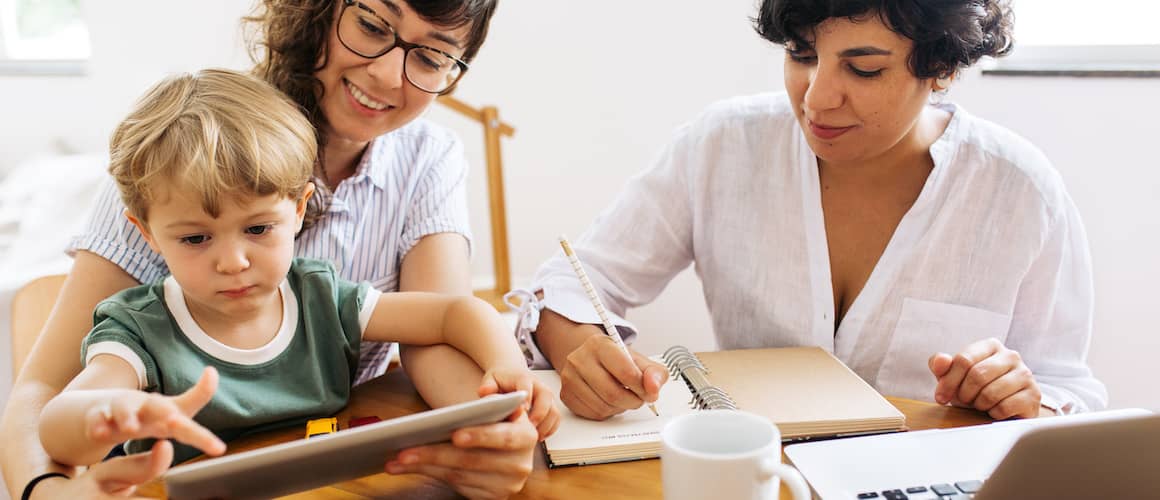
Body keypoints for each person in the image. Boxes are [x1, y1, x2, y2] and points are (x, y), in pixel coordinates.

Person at [0, 1, 542, 499]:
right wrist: (46, 491)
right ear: (317, 11)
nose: (386, 74)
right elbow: (46, 393)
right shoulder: (181, 154)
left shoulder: (426, 159)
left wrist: (487, 428)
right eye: (373, 27)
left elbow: (434, 330)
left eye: (430, 57)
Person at [522, 0, 1107, 423]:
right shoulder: (723, 146)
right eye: (802, 55)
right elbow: (570, 283)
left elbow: (1065, 389)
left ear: (943, 69)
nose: (817, 97)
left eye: (864, 68)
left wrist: (1025, 397)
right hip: (755, 475)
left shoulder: (1020, 192)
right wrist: (582, 352)